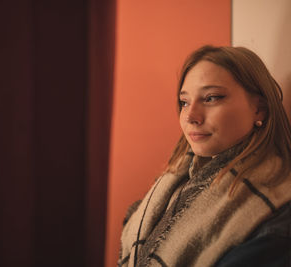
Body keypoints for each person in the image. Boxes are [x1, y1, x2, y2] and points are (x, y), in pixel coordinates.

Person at [118, 45, 291, 267]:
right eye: (184, 102)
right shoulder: (178, 179)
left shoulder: (277, 211)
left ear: (260, 109)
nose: (190, 116)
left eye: (211, 98)